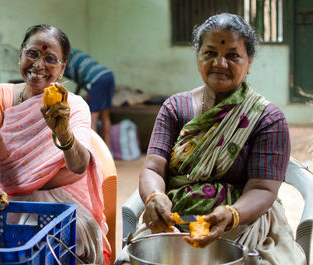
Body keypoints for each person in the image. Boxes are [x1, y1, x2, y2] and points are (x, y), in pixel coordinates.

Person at [116, 13, 306, 264]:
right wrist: (154, 197)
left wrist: (232, 214)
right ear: (198, 58)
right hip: (173, 227)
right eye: (210, 53)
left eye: (232, 56)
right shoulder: (175, 108)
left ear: (249, 63)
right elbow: (153, 167)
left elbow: (263, 188)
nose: (220, 63)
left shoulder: (267, 118)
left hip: (245, 227)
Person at [0, 24, 110, 264]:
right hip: (8, 198)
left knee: (71, 235)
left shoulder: (74, 107)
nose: (39, 65)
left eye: (50, 59)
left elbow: (79, 166)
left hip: (60, 203)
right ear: (20, 54)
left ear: (62, 67)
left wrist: (63, 131)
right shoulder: (1, 95)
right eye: (32, 54)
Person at [63, 49, 115, 149]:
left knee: (92, 117)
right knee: (105, 115)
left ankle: (93, 150)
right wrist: (76, 95)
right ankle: (108, 151)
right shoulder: (77, 53)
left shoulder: (63, 63)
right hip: (108, 75)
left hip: (96, 81)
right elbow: (81, 79)